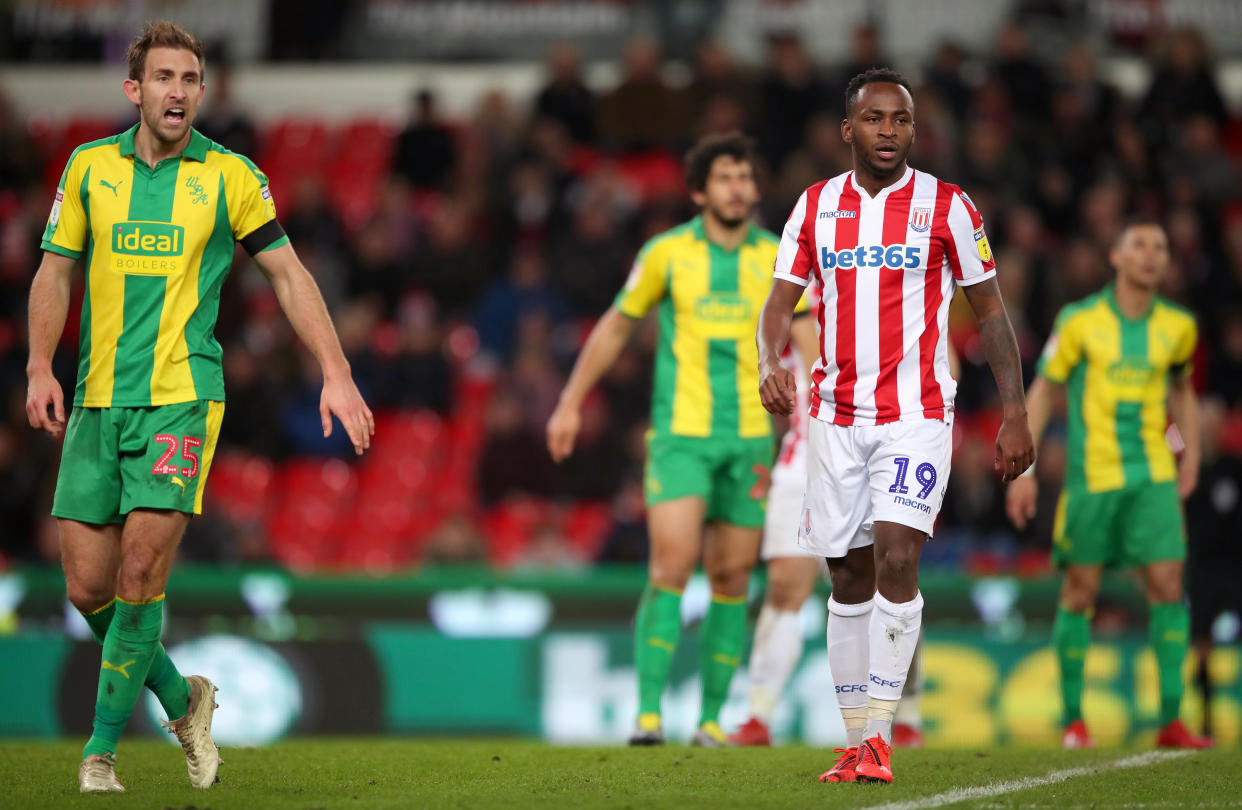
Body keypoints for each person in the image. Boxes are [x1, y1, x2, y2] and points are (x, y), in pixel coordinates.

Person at [25, 21, 374, 793]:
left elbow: (287, 275)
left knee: (141, 573)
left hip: (184, 399)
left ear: (201, 92)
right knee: (88, 589)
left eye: (191, 79)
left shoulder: (231, 176)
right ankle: (186, 701)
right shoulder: (88, 169)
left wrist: (336, 371)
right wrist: (39, 366)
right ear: (135, 90)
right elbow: (54, 274)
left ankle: (100, 755)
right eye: (165, 78)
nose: (179, 90)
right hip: (95, 401)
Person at [757, 68, 1034, 784]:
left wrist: (1015, 411)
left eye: (901, 120)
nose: (889, 132)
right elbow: (779, 303)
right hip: (834, 417)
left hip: (915, 414)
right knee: (846, 575)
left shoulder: (948, 206)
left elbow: (993, 313)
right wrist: (768, 360)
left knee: (897, 559)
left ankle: (881, 736)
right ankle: (854, 739)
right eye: (875, 120)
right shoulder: (815, 208)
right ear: (849, 130)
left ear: (914, 129)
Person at [547, 131, 806, 747]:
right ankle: (647, 715)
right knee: (670, 562)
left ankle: (713, 719)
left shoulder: (779, 255)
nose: (737, 187)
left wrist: (817, 411)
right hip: (681, 438)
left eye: (745, 177)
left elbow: (807, 332)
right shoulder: (666, 254)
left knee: (733, 576)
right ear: (698, 189)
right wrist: (570, 400)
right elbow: (616, 327)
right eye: (724, 177)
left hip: (749, 437)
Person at [1006, 218, 1212, 751]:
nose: (1151, 254)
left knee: (1168, 585)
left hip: (1153, 478)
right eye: (1139, 244)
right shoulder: (1079, 321)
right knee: (1080, 593)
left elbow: (1184, 391)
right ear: (1116, 257)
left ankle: (1171, 719)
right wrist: (1024, 470)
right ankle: (1073, 719)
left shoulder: (1178, 327)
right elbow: (1045, 391)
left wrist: (1190, 456)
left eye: (1160, 247)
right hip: (1092, 479)